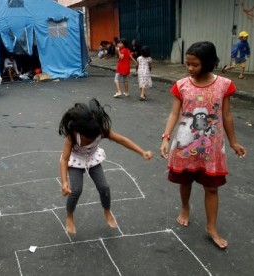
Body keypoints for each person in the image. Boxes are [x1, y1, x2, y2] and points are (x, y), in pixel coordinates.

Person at [160, 41, 246, 249]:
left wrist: (233, 141)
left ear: (207, 63)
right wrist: (166, 137)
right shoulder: (181, 85)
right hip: (185, 145)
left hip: (212, 148)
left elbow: (226, 115)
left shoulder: (224, 85)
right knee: (185, 182)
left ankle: (211, 227)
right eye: (187, 64)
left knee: (212, 188)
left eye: (195, 64)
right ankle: (185, 208)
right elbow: (174, 113)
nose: (190, 68)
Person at [59, 98, 153, 235]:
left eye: (93, 138)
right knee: (76, 190)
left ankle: (107, 211)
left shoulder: (100, 131)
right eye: (87, 139)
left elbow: (122, 140)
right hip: (75, 161)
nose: (90, 140)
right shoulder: (72, 136)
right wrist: (64, 181)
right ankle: (69, 215)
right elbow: (65, 159)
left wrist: (142, 152)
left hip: (92, 159)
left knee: (104, 187)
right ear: (79, 131)